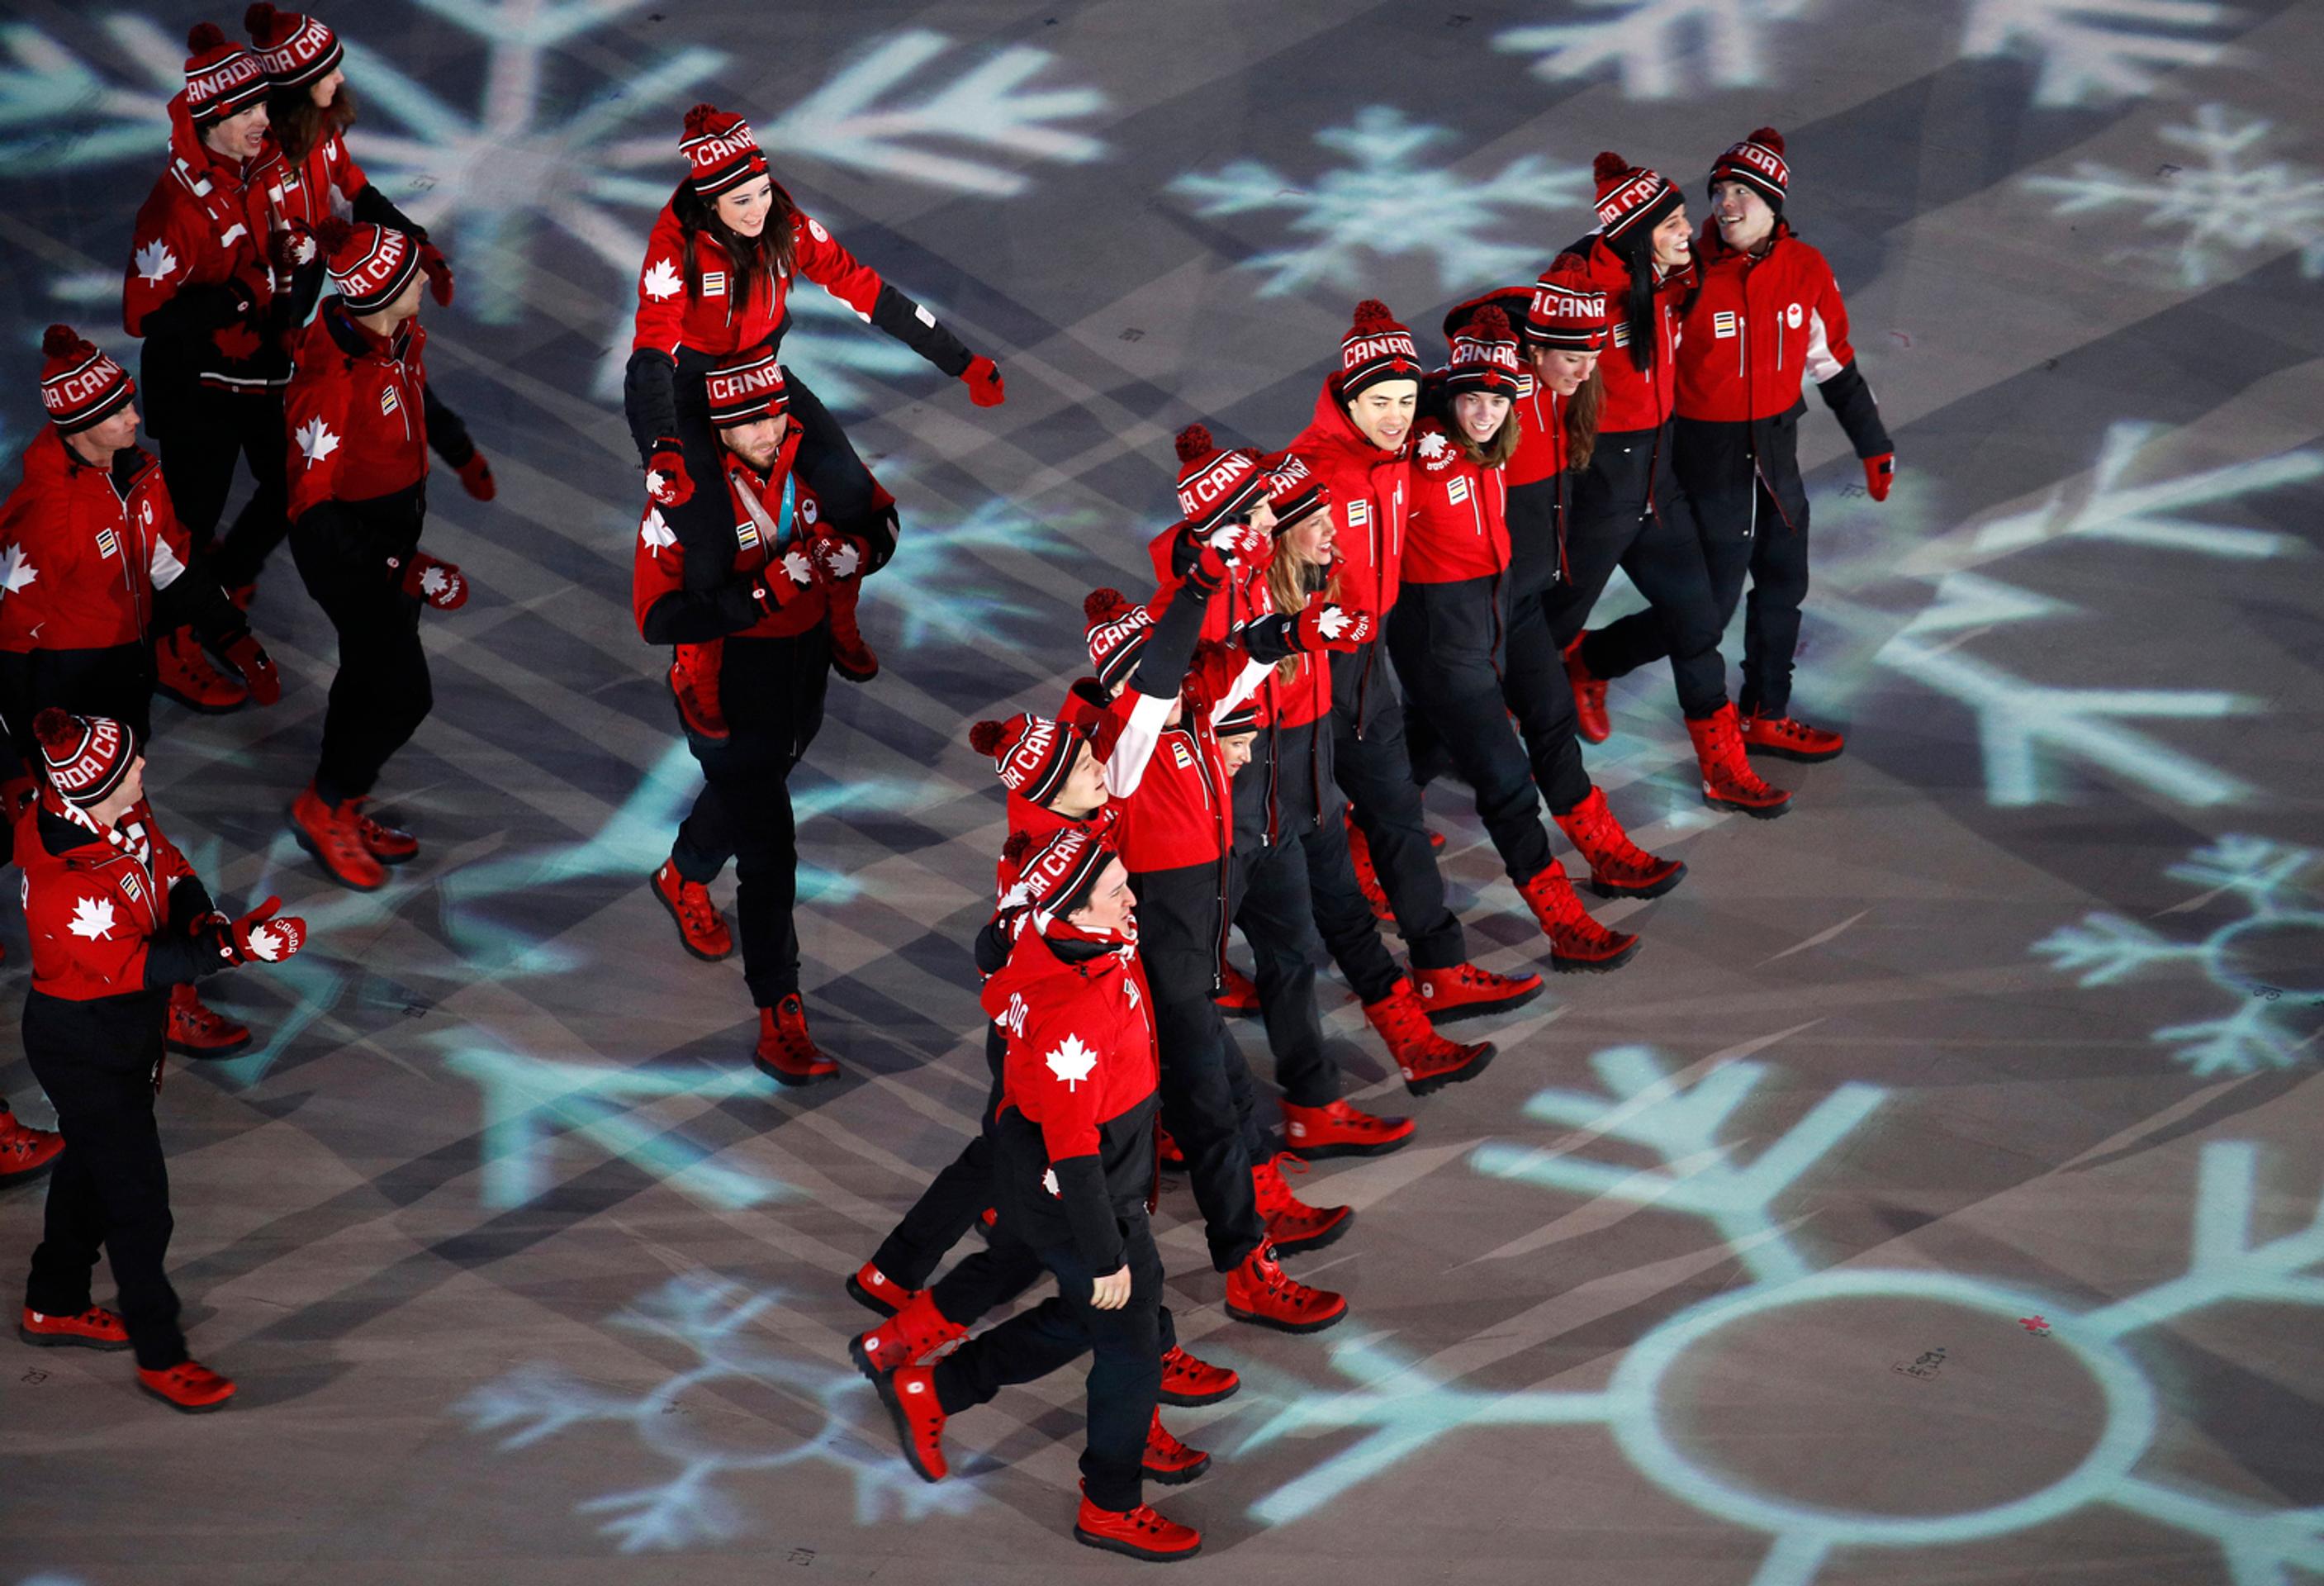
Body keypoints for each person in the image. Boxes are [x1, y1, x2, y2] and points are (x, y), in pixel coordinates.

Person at [859, 830, 1202, 1561]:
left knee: (1089, 1319)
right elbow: (1075, 1157)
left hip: (1075, 1166)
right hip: (1083, 1191)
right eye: (1117, 891)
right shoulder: (1070, 1017)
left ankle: (933, 1385)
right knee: (1131, 1341)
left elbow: (1017, 921)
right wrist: (1109, 1252)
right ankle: (1110, 1503)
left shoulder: (1080, 934)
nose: (1132, 900)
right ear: (1073, 914)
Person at [1150, 430, 1489, 1152]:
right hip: (1227, 819)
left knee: (1302, 949)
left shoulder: (1298, 579)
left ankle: (1323, 1099)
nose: (1333, 534)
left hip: (1302, 795)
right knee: (1187, 985)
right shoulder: (1203, 604)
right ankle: (1171, 1119)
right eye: (1304, 522)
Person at [622, 102, 998, 724]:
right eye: (741, 201)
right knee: (709, 541)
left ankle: (838, 622)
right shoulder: (674, 250)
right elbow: (650, 357)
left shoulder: (787, 227)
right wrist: (662, 445)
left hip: (764, 373)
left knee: (853, 497)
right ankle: (696, 669)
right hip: (691, 392)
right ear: (709, 202)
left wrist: (961, 360)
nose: (758, 209)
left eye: (763, 191)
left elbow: (865, 288)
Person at [1074, 577, 1354, 1328]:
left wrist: (1298, 634)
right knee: (1213, 1122)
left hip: (1193, 970)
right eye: (1152, 671)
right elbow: (1167, 673)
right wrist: (1200, 582)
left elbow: (1247, 664)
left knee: (1229, 1099)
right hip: (1167, 976)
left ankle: (1264, 1216)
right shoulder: (1127, 750)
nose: (1174, 679)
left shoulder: (1187, 723)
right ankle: (1246, 1266)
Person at [0, 327, 284, 1059]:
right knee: (127, 852)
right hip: (66, 700)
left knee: (128, 843)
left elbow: (165, 567)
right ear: (80, 427)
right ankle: (169, 997)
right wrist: (17, 757)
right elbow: (7, 646)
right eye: (121, 411)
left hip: (122, 683)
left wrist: (232, 634)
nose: (136, 418)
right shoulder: (46, 520)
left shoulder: (138, 477)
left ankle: (165, 988)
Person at [14, 707, 306, 1412]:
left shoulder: (114, 810)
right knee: (141, 1208)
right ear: (90, 790)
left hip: (118, 1031)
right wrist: (239, 948)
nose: (143, 767)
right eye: (129, 765)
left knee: (89, 1166)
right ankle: (162, 1355)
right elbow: (138, 965)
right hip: (87, 1042)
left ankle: (53, 1302)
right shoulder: (65, 885)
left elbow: (170, 873)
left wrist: (207, 921)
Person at [1586, 129, 1895, 762]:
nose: (1726, 204)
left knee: (1785, 586)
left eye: (1742, 192)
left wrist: (1872, 443)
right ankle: (1592, 659)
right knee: (1710, 607)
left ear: (1774, 202)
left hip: (1776, 453)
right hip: (1706, 461)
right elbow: (1627, 326)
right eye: (1720, 191)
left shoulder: (1806, 270)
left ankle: (1766, 715)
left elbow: (1832, 362)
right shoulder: (1687, 272)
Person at [1289, 299, 1550, 1017]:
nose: (1398, 416)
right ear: (1348, 399)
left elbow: (1467, 399)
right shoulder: (1310, 475)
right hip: (1304, 683)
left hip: (1370, 669)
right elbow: (1264, 577)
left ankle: (1439, 968)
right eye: (1381, 402)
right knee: (1286, 842)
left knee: (1398, 814)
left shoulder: (1402, 452)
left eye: (1407, 400)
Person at [1387, 305, 1653, 971]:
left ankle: (1605, 852)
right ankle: (1564, 924)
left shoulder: (1498, 441)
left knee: (1552, 718)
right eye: (1471, 399)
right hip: (1446, 642)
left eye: (1498, 400)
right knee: (1506, 780)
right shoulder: (1414, 461)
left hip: (1509, 612)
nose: (1484, 412)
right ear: (1449, 395)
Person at [632, 352, 874, 1081]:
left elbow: (876, 525)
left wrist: (853, 552)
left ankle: (682, 874)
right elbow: (656, 618)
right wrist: (763, 595)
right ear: (719, 429)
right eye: (755, 420)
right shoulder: (685, 500)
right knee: (771, 850)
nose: (774, 427)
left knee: (754, 795)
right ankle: (781, 1013)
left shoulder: (806, 460)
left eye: (777, 412)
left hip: (804, 672)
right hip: (731, 688)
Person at [1547, 153, 1791, 818]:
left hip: (1658, 482)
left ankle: (1722, 768)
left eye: (1686, 217)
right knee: (1536, 638)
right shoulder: (1582, 293)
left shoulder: (1670, 277)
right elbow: (1543, 372)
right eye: (1674, 222)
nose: (1691, 230)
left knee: (1701, 620)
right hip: (1598, 490)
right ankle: (1442, 759)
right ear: (1634, 233)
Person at [241, 3, 499, 509]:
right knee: (307, 452)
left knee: (400, 372)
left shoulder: (323, 132)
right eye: (328, 70)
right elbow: (262, 262)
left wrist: (421, 244)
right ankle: (244, 561)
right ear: (296, 86)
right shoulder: (261, 167)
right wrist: (287, 324)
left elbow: (359, 193)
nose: (339, 77)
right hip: (297, 322)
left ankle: (459, 451)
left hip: (334, 293)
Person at [281, 216, 467, 889]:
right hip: (351, 554)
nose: (424, 278)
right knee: (402, 694)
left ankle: (341, 800)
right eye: (413, 272)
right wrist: (402, 567)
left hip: (392, 534)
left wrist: (458, 454)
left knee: (367, 675)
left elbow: (414, 404)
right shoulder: (331, 381)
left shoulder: (399, 335)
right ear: (380, 293)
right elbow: (312, 512)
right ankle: (325, 805)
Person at [121, 22, 294, 712]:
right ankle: (169, 645)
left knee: (291, 479)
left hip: (256, 369)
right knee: (188, 517)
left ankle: (216, 583)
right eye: (249, 111)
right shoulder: (173, 210)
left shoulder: (256, 167)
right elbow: (146, 317)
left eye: (263, 106)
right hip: (196, 390)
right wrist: (239, 293)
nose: (264, 119)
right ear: (212, 121)